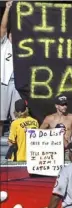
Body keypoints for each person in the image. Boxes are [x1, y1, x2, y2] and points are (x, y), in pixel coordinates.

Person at [0, 0, 21, 136]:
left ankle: (17, 141)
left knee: (18, 117)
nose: (14, 37)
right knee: (1, 117)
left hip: (18, 85)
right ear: (8, 35)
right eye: (11, 34)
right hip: (4, 83)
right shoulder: (4, 44)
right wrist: (7, 9)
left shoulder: (23, 47)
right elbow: (2, 27)